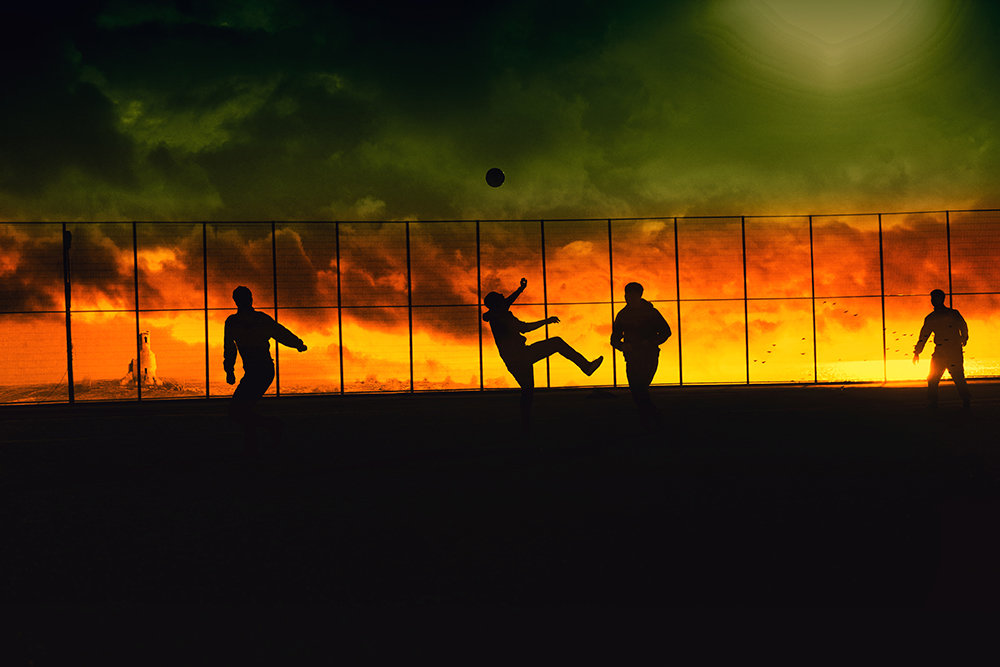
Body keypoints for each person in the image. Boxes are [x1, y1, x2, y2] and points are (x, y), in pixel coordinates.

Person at [483, 277, 603, 432]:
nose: (504, 298)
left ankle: (525, 424)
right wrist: (546, 321)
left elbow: (507, 301)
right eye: (501, 298)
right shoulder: (503, 317)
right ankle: (586, 366)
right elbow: (524, 328)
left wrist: (521, 289)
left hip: (513, 359)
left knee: (527, 390)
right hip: (521, 355)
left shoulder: (496, 313)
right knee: (557, 343)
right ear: (498, 304)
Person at [224, 286, 307, 453]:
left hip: (257, 370)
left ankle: (267, 430)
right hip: (263, 370)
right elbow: (280, 333)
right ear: (251, 299)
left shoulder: (233, 322)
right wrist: (297, 343)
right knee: (243, 409)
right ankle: (260, 436)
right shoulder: (259, 319)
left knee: (238, 410)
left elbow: (229, 348)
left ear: (235, 301)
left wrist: (230, 370)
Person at [611, 282, 671, 429]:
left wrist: (650, 343)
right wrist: (622, 346)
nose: (628, 298)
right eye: (627, 295)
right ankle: (652, 419)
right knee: (638, 390)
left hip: (648, 357)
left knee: (639, 390)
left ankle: (651, 419)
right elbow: (614, 339)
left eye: (631, 295)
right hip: (633, 358)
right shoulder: (623, 315)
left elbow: (666, 332)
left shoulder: (650, 313)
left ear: (639, 295)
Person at [912, 288, 971, 409]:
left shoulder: (938, 317)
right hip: (945, 351)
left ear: (941, 299)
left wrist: (964, 338)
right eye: (932, 298)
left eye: (934, 298)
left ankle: (964, 399)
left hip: (949, 350)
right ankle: (961, 400)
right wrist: (917, 351)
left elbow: (924, 336)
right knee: (936, 377)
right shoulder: (947, 315)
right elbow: (924, 336)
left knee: (955, 376)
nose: (933, 301)